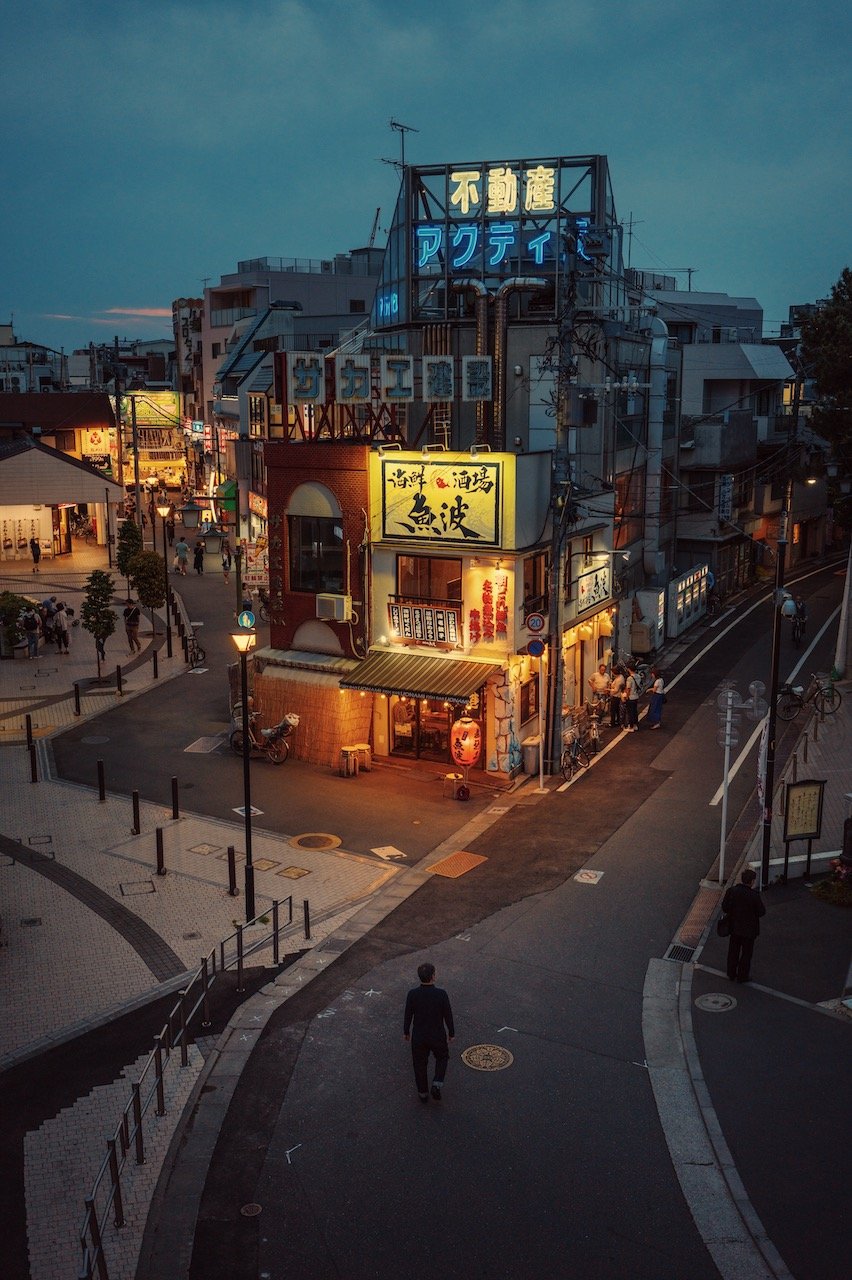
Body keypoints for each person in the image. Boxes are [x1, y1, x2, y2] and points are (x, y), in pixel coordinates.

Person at [403, 962, 454, 1102]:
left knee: (419, 1063)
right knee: (442, 1057)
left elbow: (408, 1014)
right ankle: (437, 1084)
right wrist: (451, 1032)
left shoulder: (412, 994)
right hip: (437, 1035)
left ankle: (423, 1093)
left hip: (419, 1036)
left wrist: (406, 1031)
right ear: (433, 977)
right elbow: (448, 1015)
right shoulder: (441, 994)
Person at [722, 867, 766, 983]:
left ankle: (731, 973)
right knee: (746, 954)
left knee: (733, 951)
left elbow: (725, 907)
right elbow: (761, 912)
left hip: (734, 928)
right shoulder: (754, 895)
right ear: (751, 881)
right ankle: (742, 976)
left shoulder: (732, 891)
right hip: (749, 931)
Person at [624, 665, 641, 731]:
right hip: (636, 696)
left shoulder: (629, 678)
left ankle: (630, 727)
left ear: (629, 669)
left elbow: (628, 688)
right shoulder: (638, 676)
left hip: (631, 697)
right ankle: (635, 725)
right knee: (635, 711)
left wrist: (626, 696)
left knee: (630, 712)